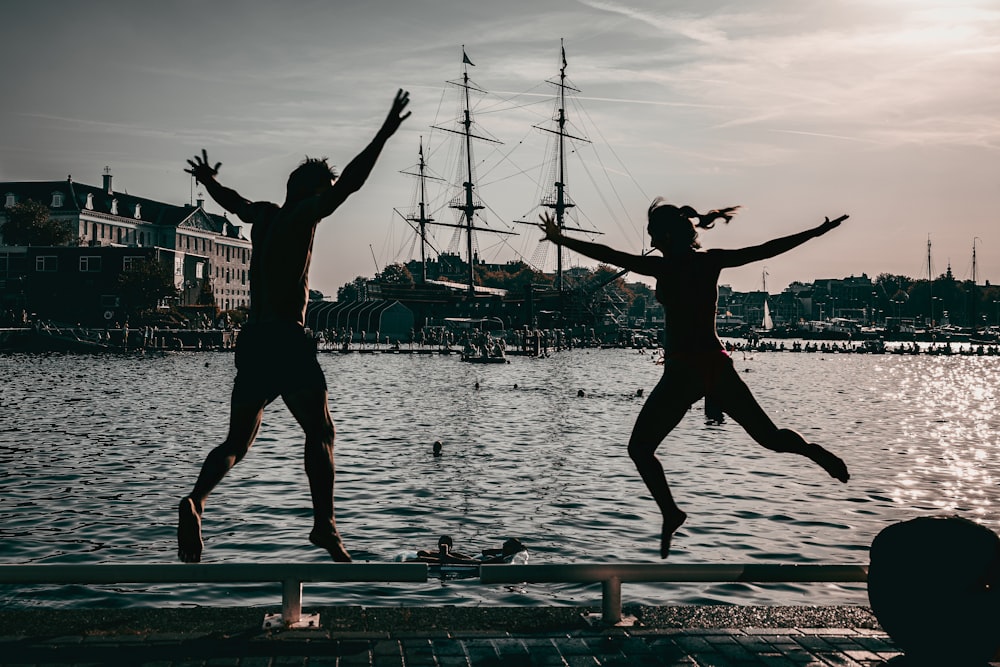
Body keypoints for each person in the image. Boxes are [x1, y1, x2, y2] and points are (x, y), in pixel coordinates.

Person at [538, 200, 850, 558]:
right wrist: (817, 232)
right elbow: (765, 250)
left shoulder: (661, 267)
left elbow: (608, 253)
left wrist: (561, 240)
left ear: (667, 234)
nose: (651, 238)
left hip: (683, 371)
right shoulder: (708, 261)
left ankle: (670, 512)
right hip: (716, 366)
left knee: (640, 449)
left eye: (654, 233)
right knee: (771, 439)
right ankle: (816, 454)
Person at [177, 89, 411, 563]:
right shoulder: (305, 216)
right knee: (321, 432)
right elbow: (351, 184)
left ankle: (195, 500)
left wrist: (208, 181)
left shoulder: (262, 216)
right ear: (311, 193)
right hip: (287, 338)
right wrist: (383, 135)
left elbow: (231, 200)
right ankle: (324, 526)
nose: (328, 199)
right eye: (322, 193)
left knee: (237, 442)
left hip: (253, 341)